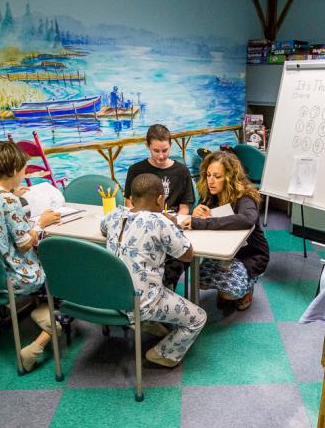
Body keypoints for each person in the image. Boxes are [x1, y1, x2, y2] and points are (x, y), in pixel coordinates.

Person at [0, 141, 62, 372]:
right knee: (62, 270)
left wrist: (12, 193)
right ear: (13, 171)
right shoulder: (9, 202)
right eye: (23, 169)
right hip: (17, 273)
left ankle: (41, 307)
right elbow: (24, 244)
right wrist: (41, 223)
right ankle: (47, 328)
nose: (24, 174)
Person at [101, 173, 206, 367]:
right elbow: (188, 255)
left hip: (111, 296)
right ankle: (162, 354)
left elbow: (103, 228)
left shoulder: (115, 214)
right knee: (198, 318)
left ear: (131, 198)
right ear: (160, 199)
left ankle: (146, 323)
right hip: (141, 303)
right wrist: (173, 225)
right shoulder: (162, 223)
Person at [180, 151, 269, 311]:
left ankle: (247, 288)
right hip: (221, 253)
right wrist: (196, 213)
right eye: (208, 175)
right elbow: (203, 221)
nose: (211, 181)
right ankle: (228, 285)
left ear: (229, 178)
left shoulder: (246, 197)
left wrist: (202, 223)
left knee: (231, 292)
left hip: (248, 256)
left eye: (217, 176)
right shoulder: (209, 195)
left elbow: (247, 219)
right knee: (198, 281)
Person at [124, 123, 195, 288]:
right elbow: (129, 202)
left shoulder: (181, 171)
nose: (161, 156)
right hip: (143, 230)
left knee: (175, 259)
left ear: (170, 145)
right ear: (147, 145)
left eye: (165, 150)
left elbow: (185, 207)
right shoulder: (135, 170)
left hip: (171, 227)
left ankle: (164, 287)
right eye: (156, 151)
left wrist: (173, 223)